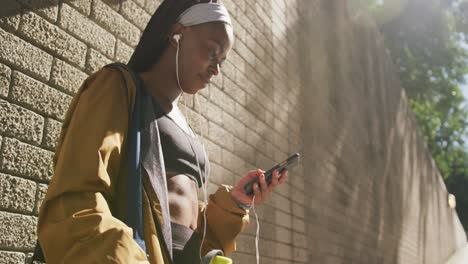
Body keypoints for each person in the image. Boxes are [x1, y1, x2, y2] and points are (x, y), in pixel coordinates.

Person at [37, 0, 287, 263]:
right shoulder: (118, 87)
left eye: (223, 60)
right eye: (213, 52)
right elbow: (77, 201)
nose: (217, 69)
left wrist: (234, 204)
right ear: (176, 33)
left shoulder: (184, 124)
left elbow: (183, 233)